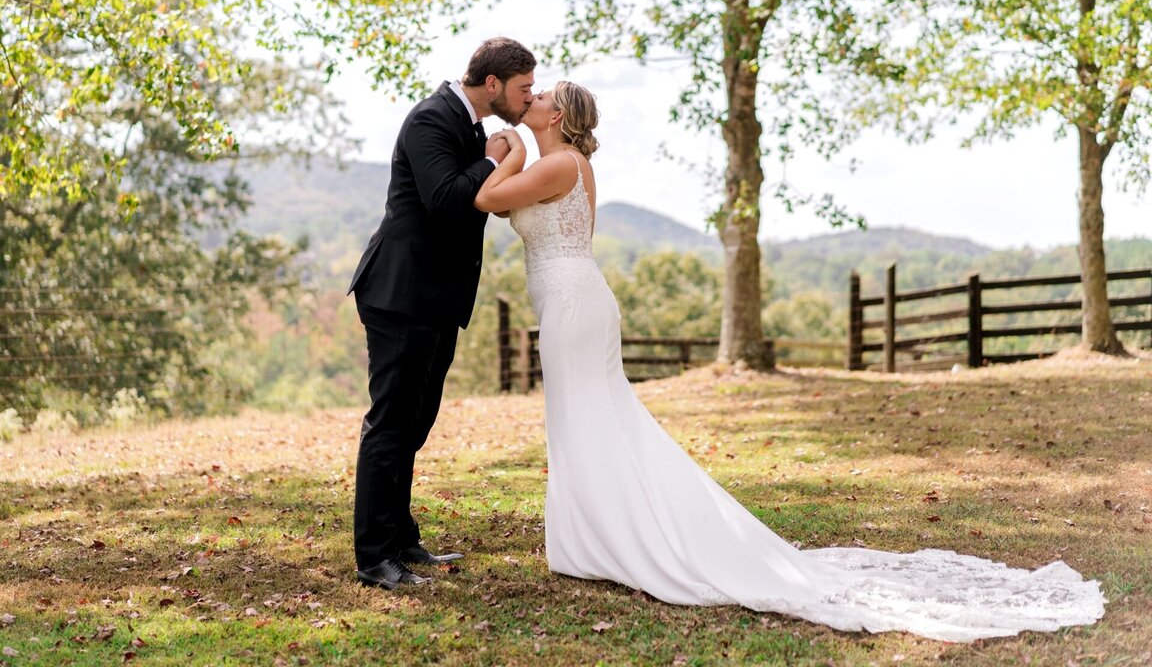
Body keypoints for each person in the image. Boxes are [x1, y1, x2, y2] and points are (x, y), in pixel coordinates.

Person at [472, 80, 1106, 642]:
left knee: (586, 418)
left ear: (559, 117)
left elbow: (484, 199)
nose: (534, 100)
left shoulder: (555, 163)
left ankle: (611, 538)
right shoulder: (564, 162)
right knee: (587, 421)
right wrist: (511, 160)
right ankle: (597, 534)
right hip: (570, 300)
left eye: (544, 96)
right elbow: (506, 204)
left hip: (574, 304)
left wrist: (510, 151)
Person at [348, 37, 536, 590]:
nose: (528, 100)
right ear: (494, 83)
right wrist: (494, 161)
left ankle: (402, 538)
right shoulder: (431, 118)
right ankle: (375, 557)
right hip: (399, 292)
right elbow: (447, 199)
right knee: (391, 423)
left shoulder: (471, 125)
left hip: (436, 297)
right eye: (523, 88)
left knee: (416, 420)